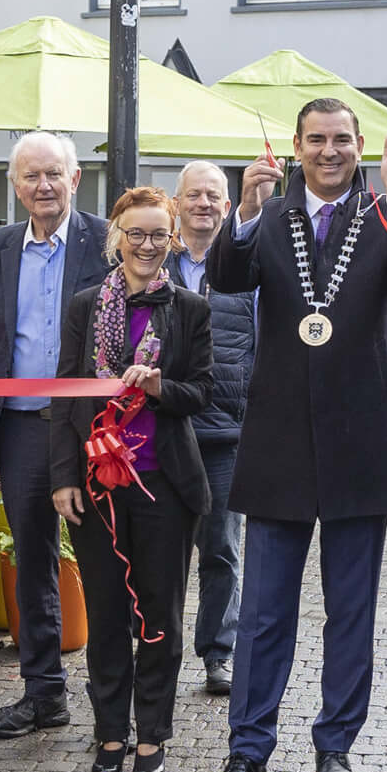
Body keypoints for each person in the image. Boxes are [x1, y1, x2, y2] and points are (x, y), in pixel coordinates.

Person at [202, 103, 387, 772]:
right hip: (278, 443)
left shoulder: (381, 209)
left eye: (341, 140)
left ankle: (335, 746)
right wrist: (243, 208)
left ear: (359, 145)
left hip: (362, 443)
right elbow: (228, 277)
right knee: (266, 612)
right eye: (316, 140)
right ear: (296, 147)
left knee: (351, 610)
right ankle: (248, 751)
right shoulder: (268, 214)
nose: (329, 152)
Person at [49, 186, 214, 772]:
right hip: (97, 485)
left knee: (160, 615)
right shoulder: (86, 305)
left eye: (158, 235)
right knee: (107, 614)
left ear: (172, 241)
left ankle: (153, 735)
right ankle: (109, 732)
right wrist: (63, 477)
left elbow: (203, 392)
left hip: (163, 486)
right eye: (135, 234)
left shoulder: (190, 309)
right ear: (116, 237)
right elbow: (64, 396)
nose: (147, 246)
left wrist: (158, 386)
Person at [0, 131, 110, 738]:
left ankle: (115, 693)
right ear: (15, 184)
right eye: (30, 176)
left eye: (54, 174)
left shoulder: (107, 239)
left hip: (94, 428)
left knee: (107, 554)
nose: (43, 186)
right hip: (22, 425)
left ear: (75, 178)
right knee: (33, 558)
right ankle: (44, 692)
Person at [169, 160, 253, 696]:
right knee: (161, 552)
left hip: (226, 436)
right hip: (162, 432)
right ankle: (159, 649)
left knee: (222, 549)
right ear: (176, 204)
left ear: (227, 206)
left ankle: (218, 653)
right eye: (193, 194)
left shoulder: (246, 267)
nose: (203, 203)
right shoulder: (152, 261)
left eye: (213, 196)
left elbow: (266, 349)